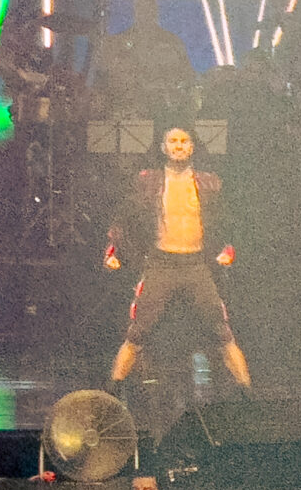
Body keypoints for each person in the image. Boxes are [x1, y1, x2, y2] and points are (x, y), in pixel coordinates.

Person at [105, 123, 249, 391]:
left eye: (184, 141)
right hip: (162, 263)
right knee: (137, 333)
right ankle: (112, 391)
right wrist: (113, 249)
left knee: (222, 332)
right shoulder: (149, 181)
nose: (179, 146)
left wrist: (227, 248)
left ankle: (247, 393)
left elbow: (227, 221)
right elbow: (124, 218)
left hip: (196, 264)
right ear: (163, 147)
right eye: (173, 141)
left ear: (192, 147)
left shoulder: (209, 183)